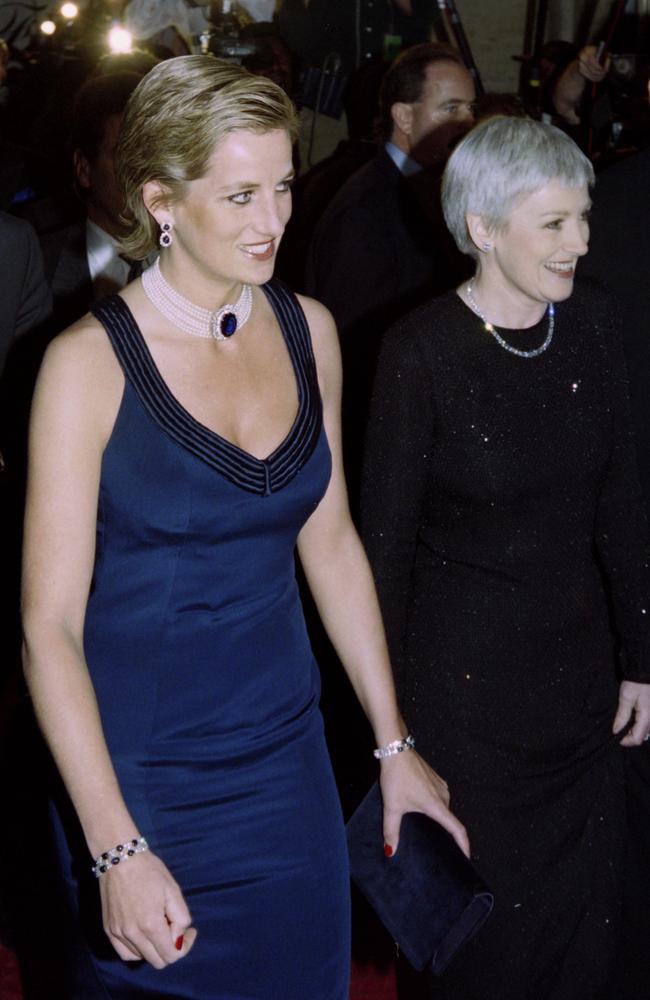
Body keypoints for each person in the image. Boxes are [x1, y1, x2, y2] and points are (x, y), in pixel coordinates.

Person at [21, 55, 467, 1000]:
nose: (273, 222)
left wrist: (394, 746)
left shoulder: (311, 331)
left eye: (282, 188)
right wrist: (113, 847)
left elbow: (333, 541)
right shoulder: (86, 366)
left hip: (285, 772)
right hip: (135, 781)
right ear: (162, 201)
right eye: (239, 196)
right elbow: (46, 630)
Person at [361, 116, 650, 1000]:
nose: (585, 241)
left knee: (596, 942)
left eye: (584, 217)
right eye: (557, 223)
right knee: (488, 953)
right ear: (482, 229)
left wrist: (643, 659)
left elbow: (625, 504)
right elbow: (379, 554)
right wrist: (392, 736)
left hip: (585, 692)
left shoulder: (596, 326)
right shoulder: (420, 353)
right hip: (466, 708)